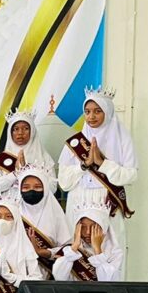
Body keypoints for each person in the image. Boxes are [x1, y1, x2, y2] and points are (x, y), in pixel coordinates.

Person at [57, 88, 137, 274]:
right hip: (78, 201)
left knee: (111, 248)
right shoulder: (75, 143)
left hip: (107, 200)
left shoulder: (122, 138)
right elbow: (64, 182)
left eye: (97, 111)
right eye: (87, 111)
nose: (91, 116)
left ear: (107, 111)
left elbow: (131, 175)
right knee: (76, 247)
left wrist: (103, 164)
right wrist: (84, 166)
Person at [16, 165, 71, 279]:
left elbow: (67, 249)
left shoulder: (55, 213)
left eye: (37, 187)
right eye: (26, 187)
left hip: (48, 276)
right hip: (17, 274)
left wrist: (45, 252)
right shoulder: (12, 212)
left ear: (45, 189)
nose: (32, 190)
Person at [0, 109, 56, 196]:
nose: (20, 133)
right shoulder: (2, 159)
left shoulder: (44, 157)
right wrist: (15, 174)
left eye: (25, 128)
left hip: (36, 207)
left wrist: (31, 176)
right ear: (10, 132)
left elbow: (53, 187)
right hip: (10, 207)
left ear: (32, 131)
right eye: (16, 129)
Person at [52, 203, 124, 282]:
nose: (87, 232)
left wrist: (97, 250)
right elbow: (59, 277)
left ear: (104, 227)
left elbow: (108, 283)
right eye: (83, 227)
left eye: (93, 227)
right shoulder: (70, 250)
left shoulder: (115, 253)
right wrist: (74, 248)